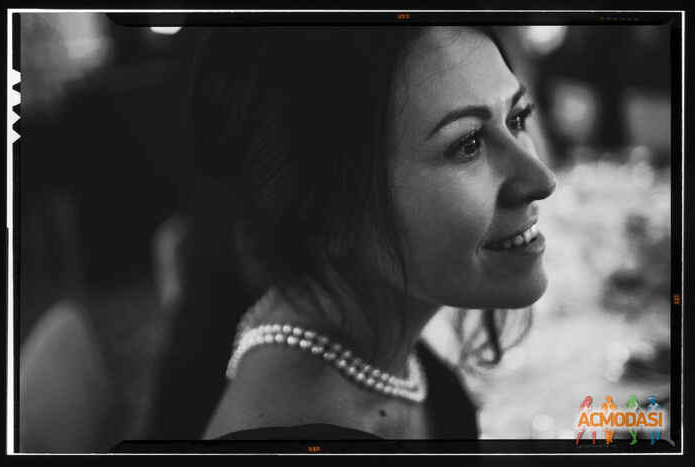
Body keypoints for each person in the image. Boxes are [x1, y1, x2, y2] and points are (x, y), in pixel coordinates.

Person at [171, 25, 557, 441]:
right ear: (329, 210)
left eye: (517, 118)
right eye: (468, 143)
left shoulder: (358, 328)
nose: (542, 180)